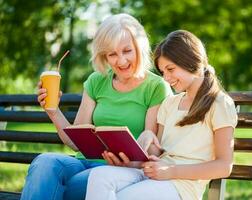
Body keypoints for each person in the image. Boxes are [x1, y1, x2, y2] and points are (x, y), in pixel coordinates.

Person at [20, 13, 171, 200]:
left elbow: (154, 148)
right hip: (84, 163)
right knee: (44, 163)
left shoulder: (156, 87)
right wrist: (53, 111)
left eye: (127, 51)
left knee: (58, 187)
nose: (121, 61)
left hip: (122, 172)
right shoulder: (96, 81)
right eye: (112, 54)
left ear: (139, 48)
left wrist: (131, 159)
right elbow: (75, 143)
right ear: (104, 56)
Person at [85, 30, 238, 200]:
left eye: (170, 69)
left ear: (191, 61)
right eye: (163, 72)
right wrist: (135, 155)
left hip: (182, 185)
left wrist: (172, 171)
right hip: (155, 174)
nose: (166, 78)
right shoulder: (170, 103)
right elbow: (157, 153)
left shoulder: (219, 104)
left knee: (122, 197)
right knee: (99, 177)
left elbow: (224, 165)